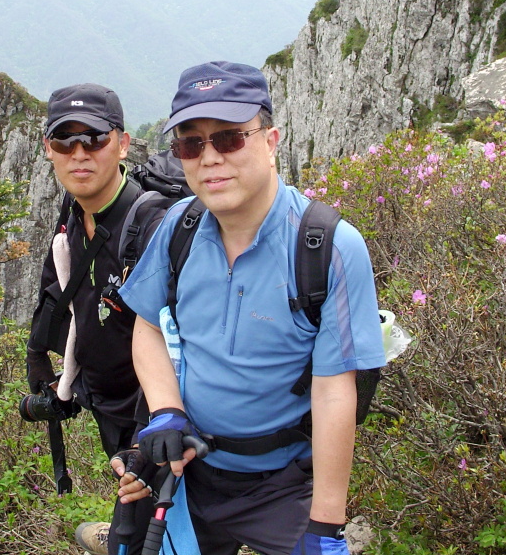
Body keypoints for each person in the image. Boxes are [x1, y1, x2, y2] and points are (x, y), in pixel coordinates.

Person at [118, 61, 387, 555]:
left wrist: (326, 524)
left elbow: (333, 392)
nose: (210, 158)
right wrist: (166, 411)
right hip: (189, 468)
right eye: (191, 144)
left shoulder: (327, 246)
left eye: (230, 138)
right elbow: (149, 325)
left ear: (271, 140)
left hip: (282, 485)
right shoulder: (179, 227)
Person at [25, 83, 154, 555]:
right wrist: (38, 355)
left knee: (158, 514)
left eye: (94, 139)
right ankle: (128, 528)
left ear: (121, 143)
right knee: (132, 496)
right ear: (48, 150)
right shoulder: (72, 210)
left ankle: (129, 537)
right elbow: (57, 283)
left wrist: (150, 433)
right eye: (65, 141)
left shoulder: (147, 227)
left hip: (147, 408)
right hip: (105, 399)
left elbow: (179, 347)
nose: (79, 154)